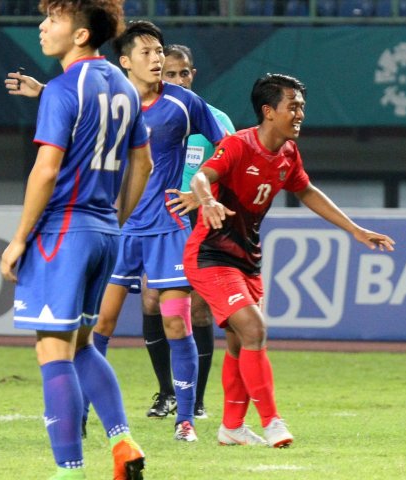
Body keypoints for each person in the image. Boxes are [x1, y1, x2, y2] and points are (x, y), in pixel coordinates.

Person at [185, 73, 396, 447]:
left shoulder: (287, 153)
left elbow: (307, 191)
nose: (300, 113)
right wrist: (207, 200)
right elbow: (202, 177)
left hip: (248, 259)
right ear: (268, 111)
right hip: (211, 255)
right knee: (254, 329)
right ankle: (272, 422)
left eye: (301, 106)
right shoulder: (237, 145)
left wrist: (354, 230)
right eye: (293, 106)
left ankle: (231, 427)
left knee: (239, 343)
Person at [0, 1, 152, 478]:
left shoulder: (65, 89)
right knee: (83, 344)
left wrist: (19, 238)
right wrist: (115, 218)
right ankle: (123, 441)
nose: (43, 27)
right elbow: (142, 163)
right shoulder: (125, 87)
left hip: (62, 231)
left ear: (81, 34)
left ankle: (69, 468)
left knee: (52, 348)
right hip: (104, 231)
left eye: (54, 19)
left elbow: (46, 171)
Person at [140, 43, 236, 420]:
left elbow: (233, 163)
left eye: (184, 74)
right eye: (170, 74)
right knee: (150, 300)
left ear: (193, 75)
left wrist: (201, 198)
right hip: (158, 221)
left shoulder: (214, 118)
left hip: (200, 221)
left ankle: (194, 400)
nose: (178, 80)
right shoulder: (148, 115)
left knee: (196, 310)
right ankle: (166, 392)